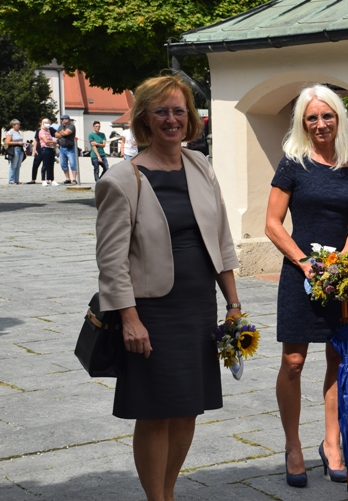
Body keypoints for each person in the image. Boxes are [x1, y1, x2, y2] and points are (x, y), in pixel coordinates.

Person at [95, 75, 242, 501]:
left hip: (198, 307)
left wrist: (233, 304)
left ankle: (170, 491)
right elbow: (111, 261)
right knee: (155, 414)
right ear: (144, 119)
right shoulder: (123, 179)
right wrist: (129, 319)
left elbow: (222, 241)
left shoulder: (200, 166)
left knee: (187, 409)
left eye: (179, 110)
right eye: (161, 111)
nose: (172, 119)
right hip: (152, 313)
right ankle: (155, 498)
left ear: (190, 118)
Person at [264, 85, 348, 488]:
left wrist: (341, 261)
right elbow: (272, 224)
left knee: (338, 360)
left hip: (340, 274)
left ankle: (332, 441)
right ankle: (292, 446)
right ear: (302, 123)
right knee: (294, 362)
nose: (320, 124)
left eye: (327, 116)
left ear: (338, 118)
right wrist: (305, 262)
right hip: (300, 273)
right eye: (312, 118)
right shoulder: (293, 164)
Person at [35, 119, 58, 186]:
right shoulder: (41, 131)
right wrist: (54, 142)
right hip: (45, 148)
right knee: (45, 164)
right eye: (45, 123)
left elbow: (51, 139)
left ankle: (51, 179)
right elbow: (46, 141)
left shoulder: (48, 131)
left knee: (51, 165)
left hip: (51, 148)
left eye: (48, 123)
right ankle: (43, 180)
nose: (47, 124)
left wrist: (54, 143)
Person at [56, 115, 77, 184]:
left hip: (70, 148)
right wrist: (62, 133)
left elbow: (66, 133)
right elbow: (56, 135)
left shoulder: (71, 126)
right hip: (62, 148)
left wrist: (61, 133)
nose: (63, 120)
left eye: (64, 119)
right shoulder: (61, 126)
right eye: (62, 119)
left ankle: (74, 179)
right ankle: (67, 179)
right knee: (63, 164)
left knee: (73, 163)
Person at [5, 119, 25, 185]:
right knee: (13, 165)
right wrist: (18, 143)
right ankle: (11, 180)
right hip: (14, 149)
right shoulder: (10, 132)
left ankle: (16, 180)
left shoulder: (18, 132)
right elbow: (8, 142)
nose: (19, 126)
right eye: (18, 125)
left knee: (18, 165)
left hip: (20, 149)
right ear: (13, 125)